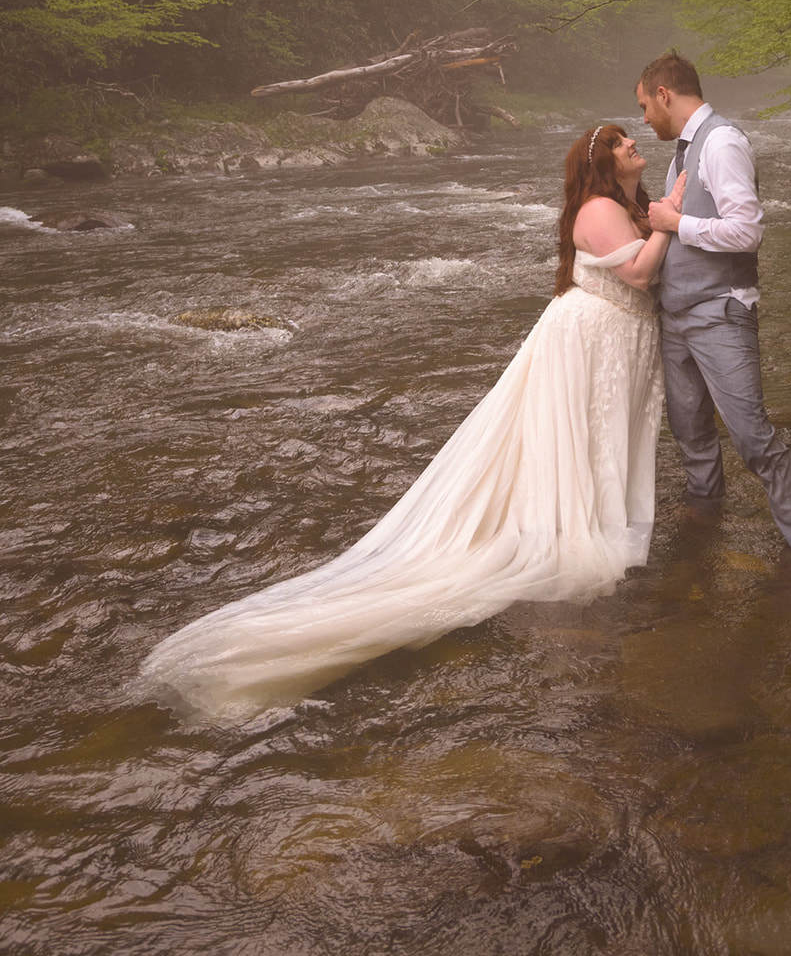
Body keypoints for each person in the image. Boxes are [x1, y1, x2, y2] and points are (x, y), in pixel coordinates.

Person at [139, 124, 685, 722]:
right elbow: (636, 275)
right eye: (619, 141)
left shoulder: (629, 203)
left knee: (595, 438)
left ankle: (586, 514)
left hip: (615, 338)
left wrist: (664, 213)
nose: (633, 145)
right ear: (600, 162)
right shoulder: (601, 207)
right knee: (579, 437)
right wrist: (668, 220)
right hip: (592, 337)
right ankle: (564, 526)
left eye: (632, 137)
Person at [635, 52, 791, 585]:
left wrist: (676, 222)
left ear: (664, 95)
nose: (642, 120)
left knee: (752, 436)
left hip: (720, 311)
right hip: (677, 312)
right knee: (688, 427)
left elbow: (746, 231)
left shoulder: (722, 143)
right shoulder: (682, 152)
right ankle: (706, 510)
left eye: (643, 106)